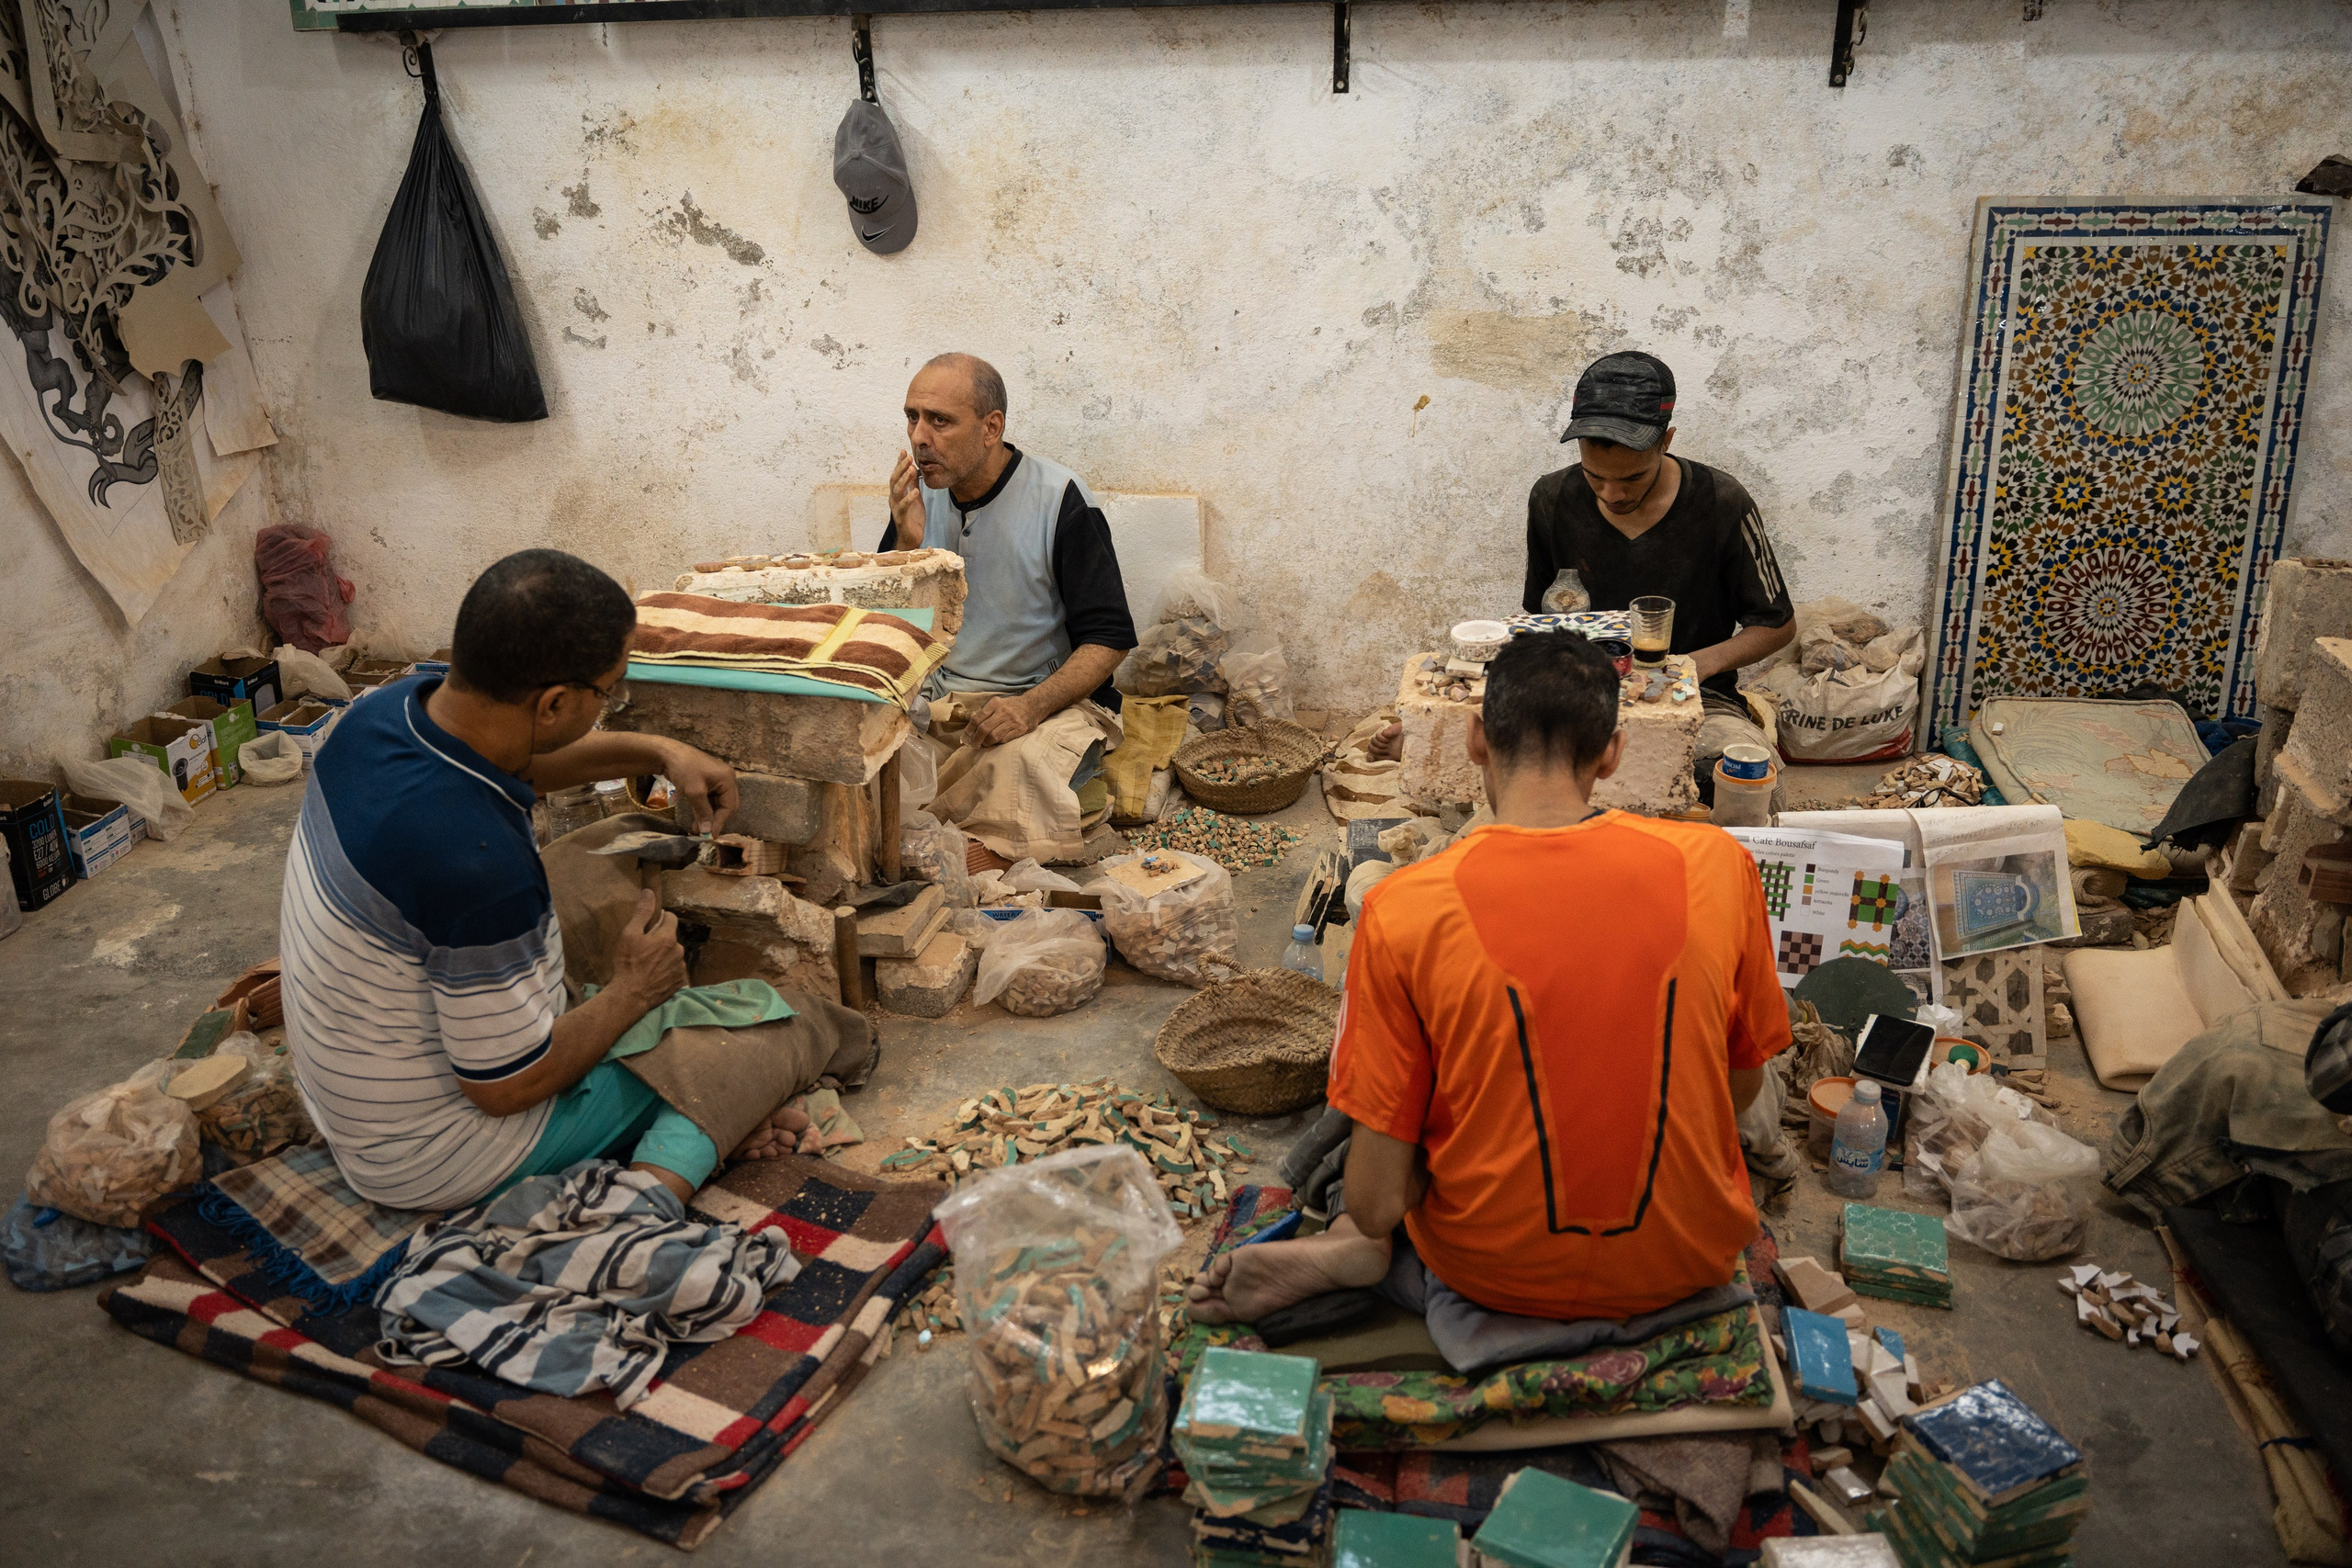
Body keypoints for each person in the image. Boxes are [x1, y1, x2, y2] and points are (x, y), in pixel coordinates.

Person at [1187, 632, 1791, 1373]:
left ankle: (1352, 1248)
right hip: (1692, 1258)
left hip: (1489, 1274)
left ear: (1476, 739)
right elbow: (1738, 1090)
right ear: (1612, 753)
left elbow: (1380, 1199)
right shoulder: (1720, 865)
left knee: (1370, 1102)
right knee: (1753, 1066)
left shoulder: (1404, 908)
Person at [279, 549, 813, 1213]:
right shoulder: (479, 863)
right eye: (611, 692)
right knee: (775, 1024)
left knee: (601, 939)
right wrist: (634, 990)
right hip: (434, 1155)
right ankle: (643, 1198)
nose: (613, 703)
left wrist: (659, 750)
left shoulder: (379, 717)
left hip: (356, 1102)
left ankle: (692, 1125)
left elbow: (524, 762)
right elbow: (506, 1086)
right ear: (557, 702)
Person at [1366, 351, 1792, 779]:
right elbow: (1537, 624)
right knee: (1485, 765)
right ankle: (1437, 736)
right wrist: (1480, 697)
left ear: (1666, 441)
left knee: (1736, 774)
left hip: (1691, 694)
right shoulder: (1552, 498)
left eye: (1631, 479)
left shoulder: (1721, 500)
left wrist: (1696, 666)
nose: (1611, 494)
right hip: (1571, 692)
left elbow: (1777, 625)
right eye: (1594, 476)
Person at [878, 353, 1137, 864]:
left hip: (1037, 708)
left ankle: (963, 857)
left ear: (991, 427)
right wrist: (905, 550)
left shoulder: (1060, 497)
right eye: (913, 417)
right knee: (864, 760)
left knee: (1025, 770)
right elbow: (892, 631)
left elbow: (1109, 639)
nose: (919, 437)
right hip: (942, 705)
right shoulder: (918, 499)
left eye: (940, 421)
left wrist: (1030, 707)